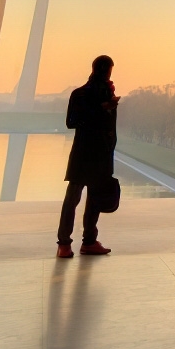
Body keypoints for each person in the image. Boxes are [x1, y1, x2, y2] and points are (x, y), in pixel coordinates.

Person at [57, 55, 120, 258]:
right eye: (106, 70)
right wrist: (102, 109)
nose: (107, 74)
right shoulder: (81, 95)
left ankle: (87, 241)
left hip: (98, 153)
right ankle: (66, 243)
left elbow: (109, 127)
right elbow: (71, 122)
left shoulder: (107, 94)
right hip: (85, 152)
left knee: (93, 200)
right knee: (73, 198)